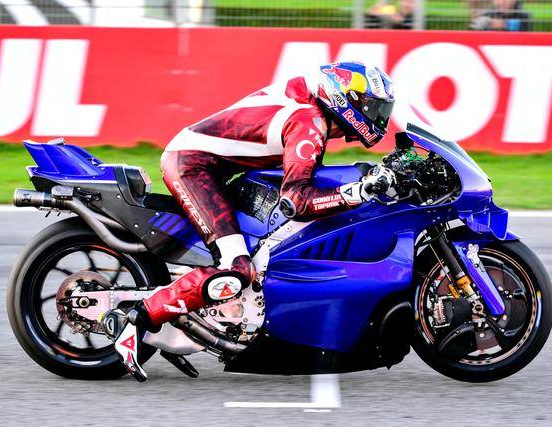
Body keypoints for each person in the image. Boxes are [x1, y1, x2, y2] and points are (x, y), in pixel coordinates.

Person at [99, 62, 397, 381]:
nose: (377, 116)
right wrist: (358, 191)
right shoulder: (308, 121)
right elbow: (297, 201)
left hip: (219, 166)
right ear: (344, 98)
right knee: (237, 268)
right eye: (371, 106)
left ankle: (188, 318)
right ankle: (138, 318)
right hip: (194, 168)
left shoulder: (312, 108)